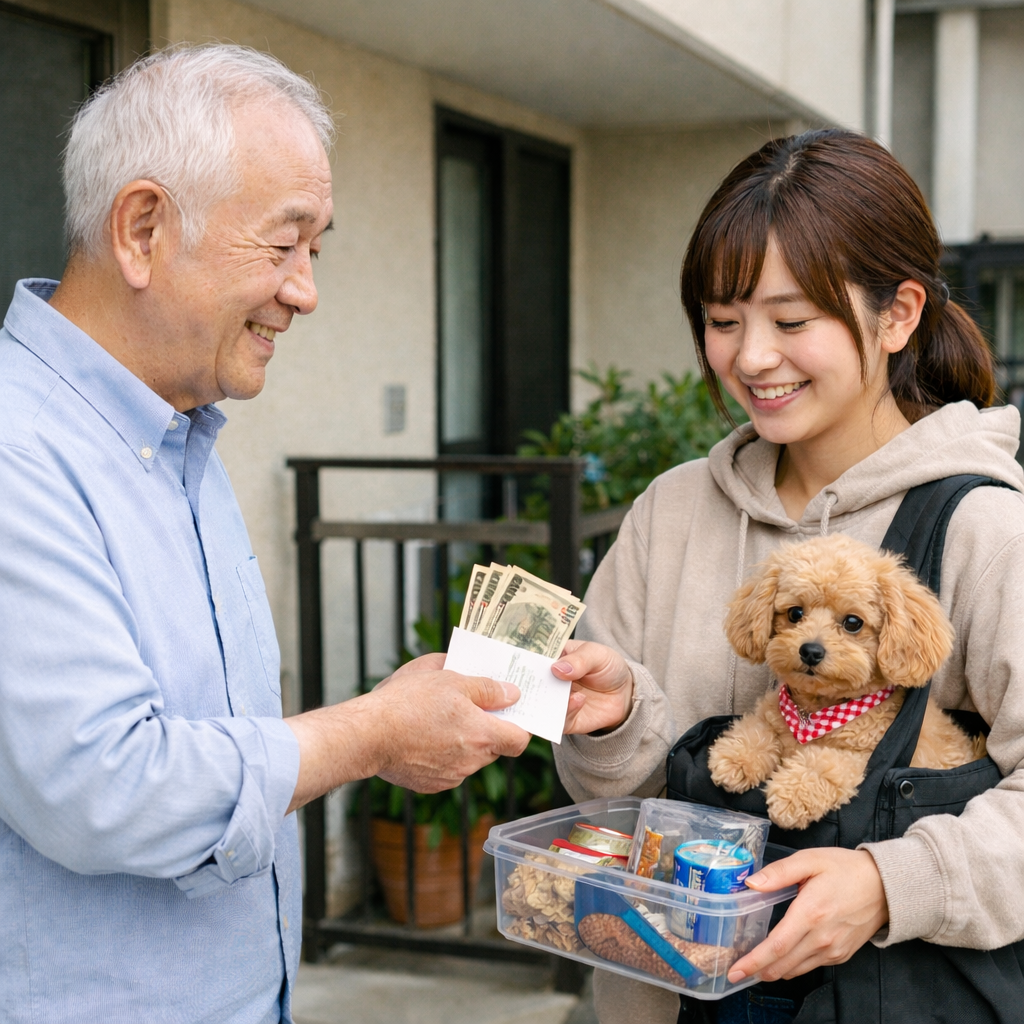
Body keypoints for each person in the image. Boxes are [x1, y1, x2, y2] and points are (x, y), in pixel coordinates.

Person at [0, 45, 528, 1024]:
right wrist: (371, 732)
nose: (304, 290)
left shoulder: (178, 430)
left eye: (314, 250)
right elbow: (110, 784)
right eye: (283, 243)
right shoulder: (17, 451)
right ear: (144, 228)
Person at [548, 130, 1024, 1022]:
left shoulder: (987, 530)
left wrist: (892, 882)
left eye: (792, 321)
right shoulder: (672, 511)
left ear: (898, 314)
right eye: (723, 323)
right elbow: (611, 802)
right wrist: (609, 724)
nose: (752, 357)